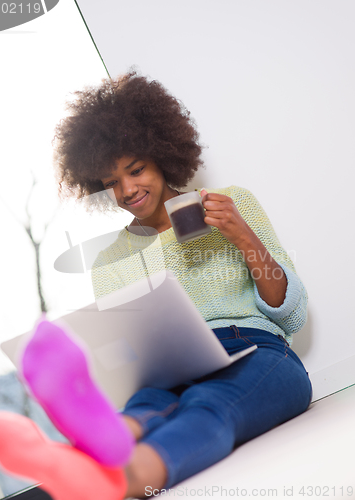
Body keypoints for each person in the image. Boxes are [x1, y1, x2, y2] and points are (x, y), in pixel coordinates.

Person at [52, 70, 312, 498]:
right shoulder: (109, 261)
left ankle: (128, 478)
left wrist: (243, 236)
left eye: (135, 170)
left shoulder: (231, 204)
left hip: (254, 349)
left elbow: (294, 314)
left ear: (163, 157)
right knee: (144, 406)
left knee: (207, 405)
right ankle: (95, 454)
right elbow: (127, 361)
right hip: (168, 374)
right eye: (111, 182)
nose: (127, 190)